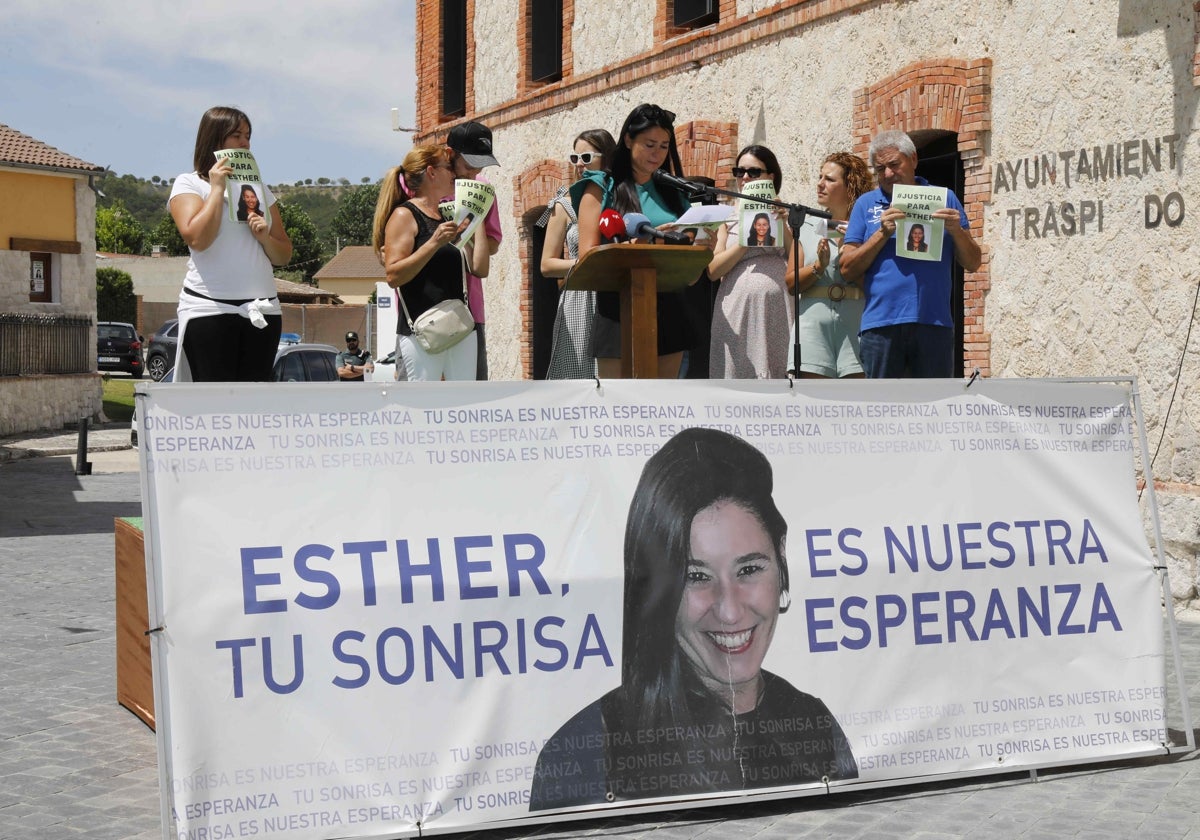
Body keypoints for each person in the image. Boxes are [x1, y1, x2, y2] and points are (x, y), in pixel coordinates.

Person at [530, 427, 857, 810]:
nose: (730, 610)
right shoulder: (585, 752)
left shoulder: (814, 724)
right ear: (656, 588)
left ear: (781, 558)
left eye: (749, 569)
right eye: (696, 577)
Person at [572, 103, 703, 379]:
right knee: (618, 410)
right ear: (628, 140)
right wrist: (630, 251)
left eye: (664, 146)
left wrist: (698, 244)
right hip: (617, 309)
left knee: (665, 407)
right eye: (650, 144)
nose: (657, 154)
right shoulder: (601, 186)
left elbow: (690, 267)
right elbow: (587, 257)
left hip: (670, 307)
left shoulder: (674, 192)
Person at [839, 130, 981, 378]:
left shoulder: (944, 198)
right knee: (883, 411)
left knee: (932, 410)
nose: (888, 174)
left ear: (913, 159)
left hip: (933, 322)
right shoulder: (866, 204)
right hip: (880, 325)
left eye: (894, 164)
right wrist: (881, 234)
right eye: (880, 169)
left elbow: (973, 262)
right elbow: (847, 269)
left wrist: (957, 230)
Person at [169, 106, 293, 382]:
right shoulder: (188, 184)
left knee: (253, 407)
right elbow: (198, 238)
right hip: (209, 310)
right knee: (214, 407)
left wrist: (264, 238)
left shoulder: (259, 189)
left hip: (263, 311)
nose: (245, 144)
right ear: (215, 138)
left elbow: (283, 255)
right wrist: (216, 189)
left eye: (248, 136)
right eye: (237, 136)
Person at [372, 145, 491, 382]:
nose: (454, 174)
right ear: (431, 172)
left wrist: (477, 220)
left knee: (463, 405)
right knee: (421, 407)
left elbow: (480, 268)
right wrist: (433, 243)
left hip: (459, 328)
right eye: (448, 167)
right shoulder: (404, 215)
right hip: (421, 332)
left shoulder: (447, 215)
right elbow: (394, 276)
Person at [786, 151, 874, 379]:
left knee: (856, 407)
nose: (819, 184)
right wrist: (818, 266)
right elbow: (790, 284)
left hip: (857, 322)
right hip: (812, 326)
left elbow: (879, 283)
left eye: (829, 179)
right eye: (820, 177)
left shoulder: (869, 229)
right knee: (812, 407)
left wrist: (852, 257)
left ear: (850, 186)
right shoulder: (806, 225)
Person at [707, 145, 792, 379]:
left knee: (778, 374)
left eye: (754, 172)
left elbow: (794, 255)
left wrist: (784, 223)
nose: (745, 177)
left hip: (776, 309)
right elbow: (713, 271)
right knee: (738, 374)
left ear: (770, 176)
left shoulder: (782, 211)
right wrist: (745, 240)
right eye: (739, 171)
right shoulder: (724, 216)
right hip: (738, 309)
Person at [538, 128, 617, 380]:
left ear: (606, 158)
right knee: (577, 376)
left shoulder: (620, 196)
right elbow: (546, 265)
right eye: (575, 159)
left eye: (586, 158)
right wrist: (588, 262)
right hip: (579, 298)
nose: (579, 165)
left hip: (617, 293)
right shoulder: (564, 204)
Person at [446, 121, 503, 381]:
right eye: (468, 165)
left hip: (470, 308)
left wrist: (469, 232)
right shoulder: (426, 185)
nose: (474, 173)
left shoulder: (483, 189)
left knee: (473, 394)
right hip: (425, 310)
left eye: (479, 166)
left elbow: (493, 243)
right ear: (450, 155)